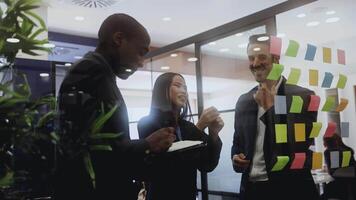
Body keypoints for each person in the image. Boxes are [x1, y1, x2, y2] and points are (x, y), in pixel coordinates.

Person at [55, 14, 176, 200]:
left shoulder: (99, 73)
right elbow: (90, 151)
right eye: (140, 52)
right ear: (119, 39)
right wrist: (147, 144)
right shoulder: (90, 71)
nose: (141, 62)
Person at [231, 34, 319, 200]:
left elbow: (297, 147)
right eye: (251, 58)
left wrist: (270, 109)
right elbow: (237, 142)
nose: (255, 63)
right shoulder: (243, 101)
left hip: (290, 190)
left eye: (262, 57)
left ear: (276, 59)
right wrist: (235, 156)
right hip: (251, 191)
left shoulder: (303, 96)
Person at [137, 72, 223, 200]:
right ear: (162, 90)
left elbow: (207, 165)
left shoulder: (187, 127)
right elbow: (165, 168)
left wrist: (214, 134)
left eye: (186, 88)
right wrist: (199, 127)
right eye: (178, 85)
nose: (184, 91)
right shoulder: (147, 123)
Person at [323, 133, 356, 200]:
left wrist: (327, 169)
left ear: (326, 142)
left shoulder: (331, 151)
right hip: (352, 183)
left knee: (326, 191)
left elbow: (333, 171)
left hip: (342, 185)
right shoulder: (347, 150)